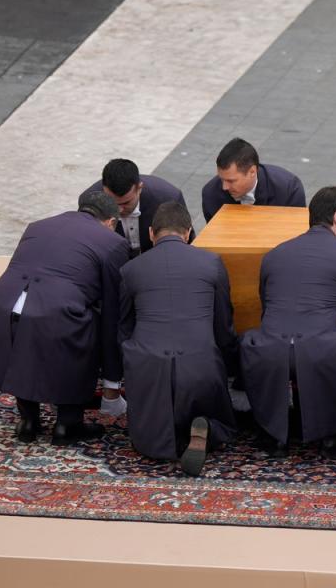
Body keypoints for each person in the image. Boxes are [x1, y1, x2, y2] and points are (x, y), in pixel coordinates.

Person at [241, 187, 336, 455]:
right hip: (321, 351)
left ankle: (274, 433)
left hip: (267, 350)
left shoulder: (274, 254)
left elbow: (267, 309)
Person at [0, 192, 128, 445]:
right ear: (111, 221)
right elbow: (113, 308)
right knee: (88, 325)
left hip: (4, 303)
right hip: (57, 309)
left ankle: (28, 421)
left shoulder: (37, 226)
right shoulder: (112, 242)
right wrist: (113, 377)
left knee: (23, 339)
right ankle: (67, 424)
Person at [119, 202, 238, 476]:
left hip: (148, 366)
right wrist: (229, 367)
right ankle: (205, 428)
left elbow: (123, 328)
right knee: (216, 411)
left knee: (147, 442)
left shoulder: (131, 270)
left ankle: (168, 439)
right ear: (188, 233)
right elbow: (224, 326)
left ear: (151, 233)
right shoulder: (212, 263)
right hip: (200, 363)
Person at [80, 158, 194, 256]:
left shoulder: (167, 197)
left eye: (126, 202)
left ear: (139, 188)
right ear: (104, 190)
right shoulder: (89, 203)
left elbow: (185, 240)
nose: (119, 209)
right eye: (113, 202)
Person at [201, 137, 306, 223]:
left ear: (252, 171)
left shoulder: (289, 189)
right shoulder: (211, 194)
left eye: (231, 181)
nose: (224, 187)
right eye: (222, 179)